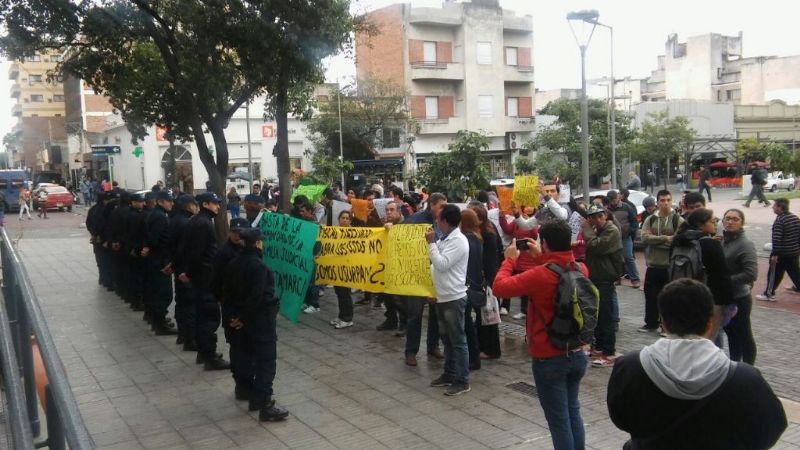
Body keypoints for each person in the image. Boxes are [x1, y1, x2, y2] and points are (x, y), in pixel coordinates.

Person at [607, 279, 787, 450]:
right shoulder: (745, 378)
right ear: (710, 323)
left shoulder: (629, 367)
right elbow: (771, 428)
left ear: (663, 322)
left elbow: (620, 418)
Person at [492, 221, 589, 450]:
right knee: (572, 411)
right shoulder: (581, 269)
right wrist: (541, 257)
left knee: (559, 420)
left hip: (549, 356)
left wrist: (509, 260)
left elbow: (500, 287)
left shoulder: (539, 275)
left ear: (544, 243)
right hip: (576, 351)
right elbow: (559, 269)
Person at [222, 227, 289, 422]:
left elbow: (227, 293)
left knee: (245, 357)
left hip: (241, 322)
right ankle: (264, 404)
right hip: (258, 321)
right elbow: (256, 297)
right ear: (258, 243)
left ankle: (252, 395)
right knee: (265, 361)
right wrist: (243, 317)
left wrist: (233, 318)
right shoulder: (259, 266)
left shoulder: (234, 262)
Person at [175, 192, 230, 370]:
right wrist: (188, 272)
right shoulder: (203, 223)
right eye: (215, 204)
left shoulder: (197, 220)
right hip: (204, 277)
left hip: (201, 276)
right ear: (205, 204)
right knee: (209, 317)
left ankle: (204, 353)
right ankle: (209, 356)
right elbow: (196, 253)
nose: (218, 207)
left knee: (202, 315)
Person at [427, 204, 471, 396]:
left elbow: (442, 264)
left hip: (453, 297)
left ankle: (462, 380)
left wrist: (430, 243)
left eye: (438, 219)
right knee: (447, 339)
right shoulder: (446, 238)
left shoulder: (459, 241)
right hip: (442, 295)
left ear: (445, 221)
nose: (436, 222)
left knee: (458, 340)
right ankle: (449, 373)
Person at [672, 208, 733, 339]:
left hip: (683, 295)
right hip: (710, 298)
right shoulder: (711, 244)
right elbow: (722, 276)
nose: (716, 223)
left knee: (686, 337)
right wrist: (729, 301)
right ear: (701, 224)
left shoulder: (678, 240)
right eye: (712, 221)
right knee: (708, 339)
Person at [581, 204, 623, 368]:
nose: (597, 220)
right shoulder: (599, 230)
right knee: (597, 314)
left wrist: (586, 230)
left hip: (606, 278)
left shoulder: (611, 231)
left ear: (605, 215)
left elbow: (595, 246)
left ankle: (609, 352)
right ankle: (598, 347)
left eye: (599, 216)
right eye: (593, 217)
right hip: (596, 277)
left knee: (607, 316)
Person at [639, 190, 683, 333]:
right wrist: (665, 238)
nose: (665, 203)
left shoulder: (678, 220)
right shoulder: (650, 219)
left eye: (668, 200)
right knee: (650, 296)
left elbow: (678, 241)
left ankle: (668, 327)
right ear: (657, 202)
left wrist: (656, 240)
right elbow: (644, 238)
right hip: (653, 265)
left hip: (670, 266)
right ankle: (651, 323)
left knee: (669, 299)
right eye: (662, 200)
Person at [721, 209, 758, 364]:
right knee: (731, 334)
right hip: (726, 296)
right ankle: (734, 364)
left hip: (740, 298)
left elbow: (751, 274)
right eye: (727, 218)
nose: (730, 222)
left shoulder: (745, 244)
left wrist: (725, 280)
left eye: (735, 219)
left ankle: (749, 367)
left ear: (742, 223)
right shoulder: (723, 241)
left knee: (744, 334)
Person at [468, 203, 502, 361]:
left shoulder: (487, 234)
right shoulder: (484, 230)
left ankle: (491, 350)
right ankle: (484, 346)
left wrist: (489, 281)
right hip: (486, 277)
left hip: (488, 278)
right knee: (484, 315)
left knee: (488, 315)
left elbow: (491, 259)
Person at [143, 191, 178, 335]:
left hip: (156, 258)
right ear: (160, 202)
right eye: (168, 201)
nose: (171, 203)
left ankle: (158, 320)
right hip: (159, 260)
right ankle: (159, 324)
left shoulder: (157, 214)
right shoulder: (160, 217)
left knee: (157, 292)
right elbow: (155, 239)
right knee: (164, 293)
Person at [168, 195, 199, 349]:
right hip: (185, 269)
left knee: (181, 301)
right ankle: (190, 338)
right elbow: (186, 248)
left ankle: (183, 334)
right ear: (187, 206)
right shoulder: (186, 223)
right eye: (194, 205)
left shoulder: (175, 219)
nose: (196, 208)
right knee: (189, 303)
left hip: (179, 267)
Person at [757, 198, 800, 301]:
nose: (773, 207)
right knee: (795, 272)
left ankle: (769, 293)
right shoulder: (795, 218)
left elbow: (777, 239)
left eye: (775, 205)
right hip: (794, 252)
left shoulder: (780, 221)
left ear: (780, 207)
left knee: (774, 274)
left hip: (782, 254)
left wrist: (775, 254)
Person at [375, 201, 407, 333]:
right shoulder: (385, 225)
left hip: (401, 267)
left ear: (399, 212)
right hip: (386, 265)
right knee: (387, 296)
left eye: (391, 210)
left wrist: (392, 230)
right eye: (387, 210)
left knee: (399, 298)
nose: (388, 212)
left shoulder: (406, 225)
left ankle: (404, 324)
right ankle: (391, 320)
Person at [459, 208, 484, 371]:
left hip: (466, 286)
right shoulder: (477, 237)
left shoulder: (466, 239)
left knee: (466, 324)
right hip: (474, 284)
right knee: (468, 322)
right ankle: (474, 357)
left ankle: (473, 358)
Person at [607, 190, 640, 289]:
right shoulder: (607, 209)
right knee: (615, 258)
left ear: (618, 198)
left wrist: (630, 231)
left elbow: (634, 221)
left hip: (625, 237)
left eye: (615, 199)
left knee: (628, 257)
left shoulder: (626, 207)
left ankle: (635, 279)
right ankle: (617, 278)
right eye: (612, 200)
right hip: (612, 238)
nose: (614, 202)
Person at [330, 211, 355, 329]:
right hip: (336, 267)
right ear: (339, 219)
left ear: (350, 221)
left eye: (347, 218)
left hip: (347, 267)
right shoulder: (334, 231)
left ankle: (347, 318)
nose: (344, 220)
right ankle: (341, 316)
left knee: (345, 293)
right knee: (339, 292)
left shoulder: (355, 233)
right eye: (342, 218)